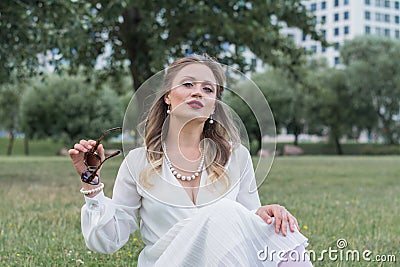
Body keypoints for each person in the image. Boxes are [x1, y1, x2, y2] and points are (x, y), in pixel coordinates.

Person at [69, 54, 312, 266]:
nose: (198, 92)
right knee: (225, 210)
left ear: (214, 105)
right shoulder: (138, 162)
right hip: (168, 263)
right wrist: (91, 183)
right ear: (167, 97)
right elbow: (108, 241)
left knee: (278, 227)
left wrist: (267, 214)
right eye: (187, 84)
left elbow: (248, 224)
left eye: (208, 89)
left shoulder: (236, 157)